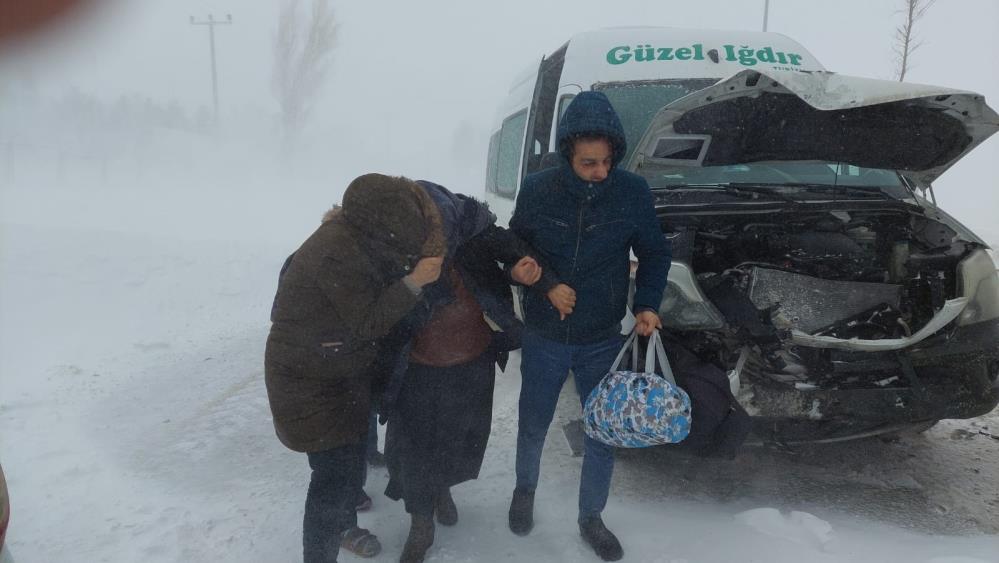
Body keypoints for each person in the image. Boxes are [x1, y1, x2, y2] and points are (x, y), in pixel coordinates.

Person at [507, 91, 671, 561]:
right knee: (533, 422)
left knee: (603, 428)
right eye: (588, 163)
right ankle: (524, 489)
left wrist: (646, 304)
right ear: (568, 156)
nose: (600, 171)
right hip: (544, 336)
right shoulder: (538, 190)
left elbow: (655, 253)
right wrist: (544, 285)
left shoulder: (631, 192)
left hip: (601, 337)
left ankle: (591, 517)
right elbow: (517, 250)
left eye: (606, 161)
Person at [264, 173, 447, 563]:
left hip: (333, 372)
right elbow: (368, 322)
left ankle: (341, 526)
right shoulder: (337, 252)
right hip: (310, 383)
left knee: (343, 471)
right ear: (385, 220)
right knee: (332, 479)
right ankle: (323, 550)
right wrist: (415, 281)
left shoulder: (354, 237)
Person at [379, 181, 542, 563]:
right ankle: (421, 523)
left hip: (471, 360)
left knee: (461, 440)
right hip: (416, 368)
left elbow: (513, 247)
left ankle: (442, 489)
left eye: (438, 231)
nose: (433, 241)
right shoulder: (395, 245)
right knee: (415, 448)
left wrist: (523, 265)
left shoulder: (473, 234)